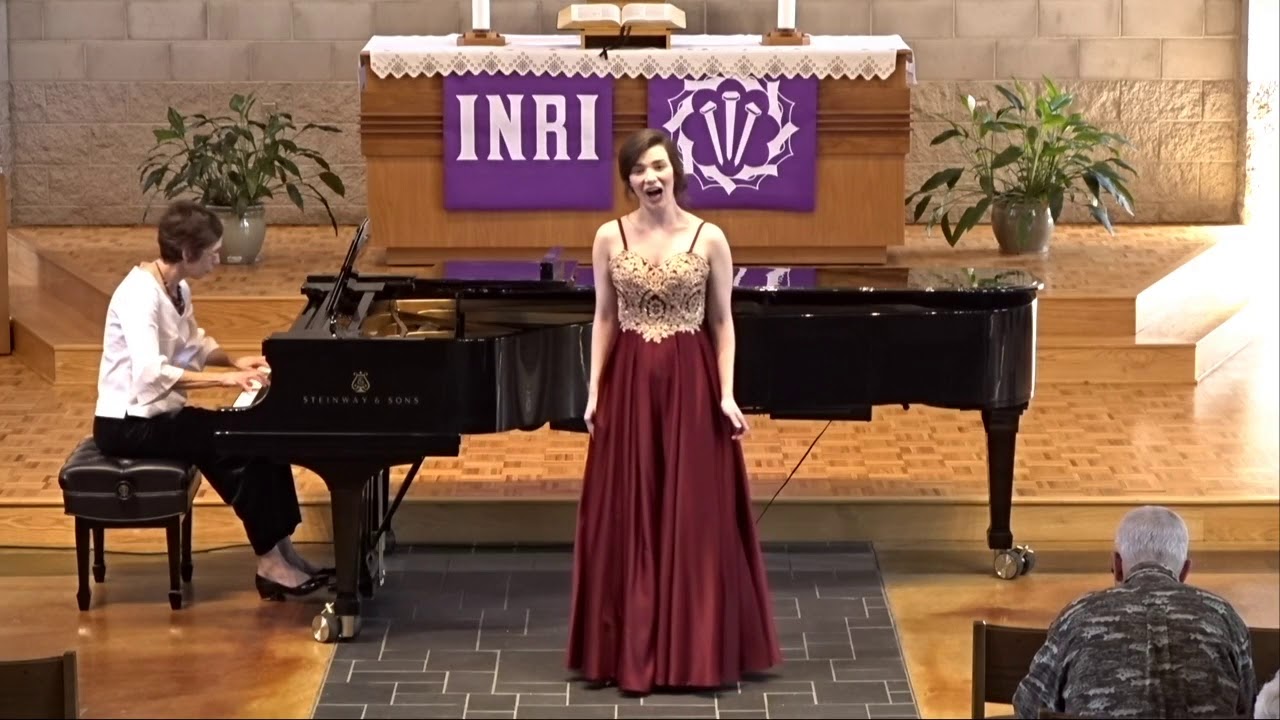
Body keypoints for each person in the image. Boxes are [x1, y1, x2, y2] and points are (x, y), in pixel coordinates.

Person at [565, 128, 782, 696]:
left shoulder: (710, 238)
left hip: (691, 382)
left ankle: (693, 650)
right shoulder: (608, 237)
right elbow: (605, 318)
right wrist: (593, 392)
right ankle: (628, 648)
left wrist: (727, 394)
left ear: (676, 171)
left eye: (658, 166)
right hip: (631, 382)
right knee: (630, 512)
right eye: (638, 171)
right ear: (629, 180)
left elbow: (722, 324)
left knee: (693, 516)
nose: (649, 178)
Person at [91, 199, 328, 600]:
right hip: (127, 424)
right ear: (187, 254)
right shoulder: (138, 296)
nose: (217, 262)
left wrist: (233, 358)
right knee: (233, 445)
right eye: (213, 254)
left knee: (262, 438)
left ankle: (283, 549)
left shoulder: (176, 287)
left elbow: (190, 347)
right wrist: (225, 379)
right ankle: (269, 561)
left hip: (160, 415)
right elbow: (151, 372)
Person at [1013, 505, 1256, 718]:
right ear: (1184, 571)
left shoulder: (1078, 616)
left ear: (1117, 566)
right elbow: (1250, 708)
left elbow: (1029, 706)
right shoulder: (1224, 616)